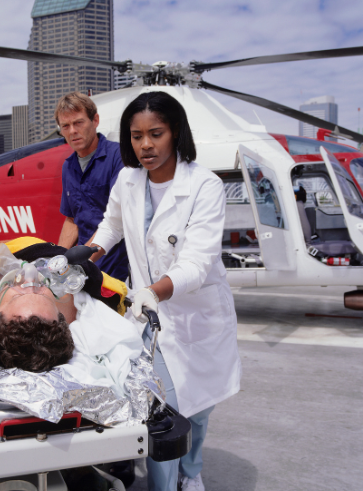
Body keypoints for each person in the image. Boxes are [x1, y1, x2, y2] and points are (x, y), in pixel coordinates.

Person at [90, 91, 242, 491]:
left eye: (155, 133)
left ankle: (190, 475)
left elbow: (197, 261)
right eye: (136, 135)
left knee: (199, 410)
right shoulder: (128, 179)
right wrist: (87, 253)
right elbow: (112, 225)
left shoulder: (204, 186)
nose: (145, 145)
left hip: (198, 315)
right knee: (163, 410)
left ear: (175, 132)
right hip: (153, 319)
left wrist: (154, 291)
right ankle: (165, 485)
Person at [56, 92, 130, 281]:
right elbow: (72, 220)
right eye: (66, 126)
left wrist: (80, 261)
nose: (72, 131)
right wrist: (57, 262)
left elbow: (118, 220)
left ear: (95, 120)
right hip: (83, 269)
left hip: (116, 267)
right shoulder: (68, 166)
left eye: (78, 122)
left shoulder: (118, 157)